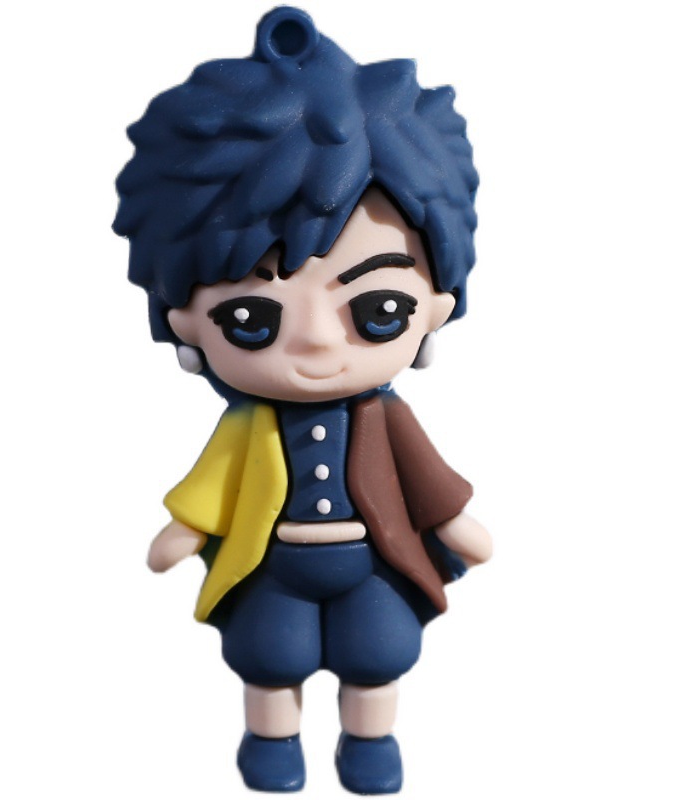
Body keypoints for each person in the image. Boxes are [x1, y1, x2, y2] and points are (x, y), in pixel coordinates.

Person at [113, 7, 491, 794]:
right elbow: (214, 485)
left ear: (437, 308)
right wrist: (188, 528)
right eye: (252, 318)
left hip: (371, 563)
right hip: (274, 565)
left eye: (376, 309)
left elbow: (427, 482)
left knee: (378, 653)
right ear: (183, 322)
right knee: (269, 655)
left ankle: (370, 745)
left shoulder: (386, 418)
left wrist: (453, 522)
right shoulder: (246, 424)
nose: (317, 342)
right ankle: (272, 744)